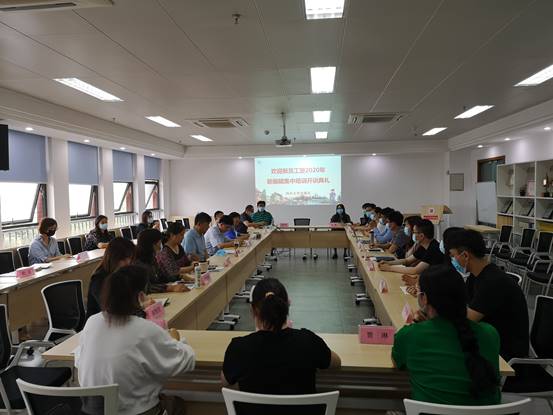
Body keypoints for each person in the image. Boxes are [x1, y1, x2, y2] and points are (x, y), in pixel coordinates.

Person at [76, 265, 196, 415]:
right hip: (135, 411)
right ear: (140, 297)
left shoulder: (92, 322)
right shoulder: (144, 329)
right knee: (177, 404)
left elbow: (79, 360)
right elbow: (186, 361)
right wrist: (177, 340)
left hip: (92, 411)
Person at [221, 278, 341, 414]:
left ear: (253, 310)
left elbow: (226, 382)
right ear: (287, 306)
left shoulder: (239, 347)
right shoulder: (308, 341)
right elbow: (336, 363)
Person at [392, 265, 500, 406]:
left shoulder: (410, 335)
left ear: (424, 298)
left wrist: (421, 325)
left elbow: (398, 363)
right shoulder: (490, 333)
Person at [447, 230, 529, 361]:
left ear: (465, 255)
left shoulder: (493, 282)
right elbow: (461, 302)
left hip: (503, 352)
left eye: (453, 255)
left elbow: (466, 320)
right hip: (486, 337)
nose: (452, 260)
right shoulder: (477, 275)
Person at [85, 237, 135, 321]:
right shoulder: (99, 279)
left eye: (130, 258)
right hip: (100, 323)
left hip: (117, 320)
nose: (128, 262)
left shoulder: (121, 273)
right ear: (115, 258)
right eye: (125, 259)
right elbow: (112, 309)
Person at [379, 219, 444, 275]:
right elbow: (407, 260)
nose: (412, 234)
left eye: (414, 232)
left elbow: (415, 270)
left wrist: (389, 268)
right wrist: (388, 263)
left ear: (421, 236)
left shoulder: (434, 249)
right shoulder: (424, 246)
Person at [134, 229, 188, 293]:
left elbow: (162, 276)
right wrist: (170, 288)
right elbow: (147, 287)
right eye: (159, 242)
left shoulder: (152, 259)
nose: (160, 245)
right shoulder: (139, 264)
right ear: (153, 244)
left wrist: (180, 277)